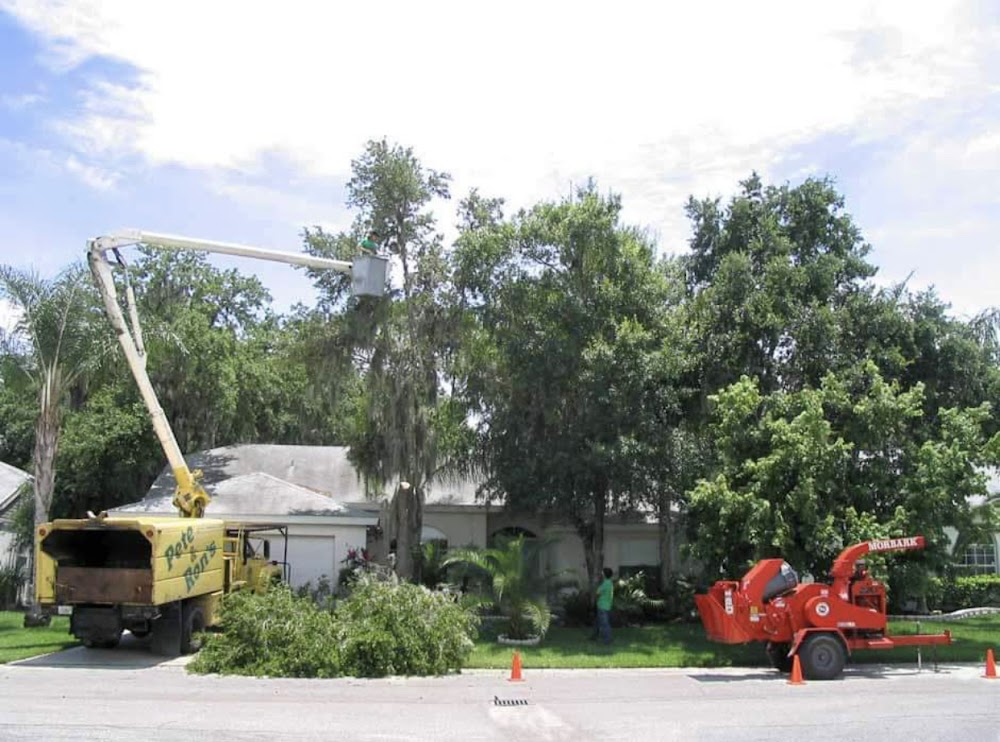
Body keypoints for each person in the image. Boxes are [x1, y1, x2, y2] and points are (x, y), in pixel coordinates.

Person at [595, 567, 614, 645]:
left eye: (602, 573)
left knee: (605, 624)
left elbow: (597, 592)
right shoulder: (610, 583)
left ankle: (607, 639)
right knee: (597, 622)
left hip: (602, 606)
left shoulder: (605, 583)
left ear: (604, 574)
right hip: (608, 606)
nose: (601, 574)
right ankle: (594, 636)